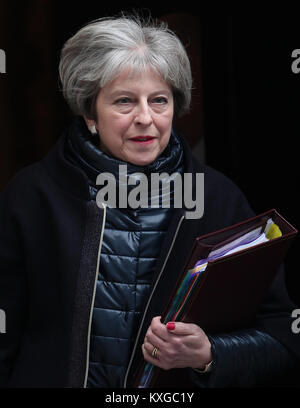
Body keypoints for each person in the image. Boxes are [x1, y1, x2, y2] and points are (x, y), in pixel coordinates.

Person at [0, 14, 299, 388]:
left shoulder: (217, 197)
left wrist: (208, 354)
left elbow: (284, 335)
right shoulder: (31, 197)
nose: (146, 118)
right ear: (90, 113)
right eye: (124, 101)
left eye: (159, 100)